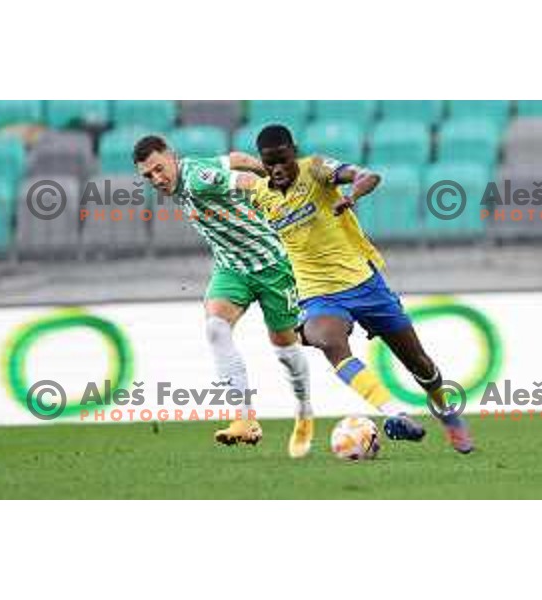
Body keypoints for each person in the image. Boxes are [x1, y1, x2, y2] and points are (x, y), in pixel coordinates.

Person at [249, 124, 473, 454]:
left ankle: (449, 415)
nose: (277, 169)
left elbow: (368, 174)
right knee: (329, 341)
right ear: (262, 162)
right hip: (319, 293)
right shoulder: (260, 194)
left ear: (293, 151)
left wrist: (352, 195)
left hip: (365, 284)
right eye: (269, 163)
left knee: (420, 364)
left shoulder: (316, 169)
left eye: (282, 159)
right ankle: (394, 413)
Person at [133, 135, 314, 457]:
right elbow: (236, 158)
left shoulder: (197, 179)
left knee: (286, 347)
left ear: (172, 158)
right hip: (232, 269)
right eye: (148, 176)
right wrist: (263, 167)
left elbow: (241, 179)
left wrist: (279, 187)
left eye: (159, 169)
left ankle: (304, 409)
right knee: (216, 328)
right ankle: (243, 419)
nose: (156, 179)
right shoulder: (187, 171)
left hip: (273, 265)